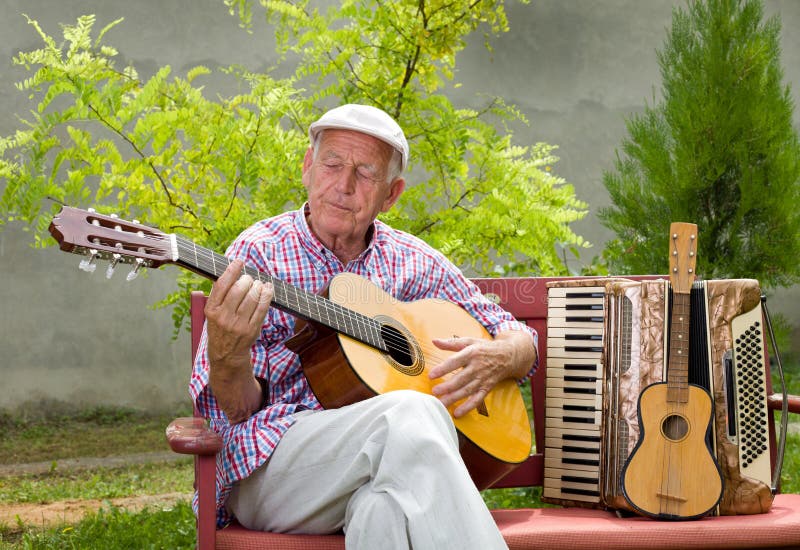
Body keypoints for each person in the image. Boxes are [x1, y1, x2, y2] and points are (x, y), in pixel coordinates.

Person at [190, 104, 538, 549]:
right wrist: (227, 353)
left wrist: (503, 355)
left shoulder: (415, 261)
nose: (344, 185)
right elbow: (236, 411)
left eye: (365, 173)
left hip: (383, 468)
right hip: (274, 470)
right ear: (308, 168)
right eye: (332, 164)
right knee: (413, 410)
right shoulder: (258, 255)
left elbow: (517, 336)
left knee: (384, 510)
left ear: (390, 195)